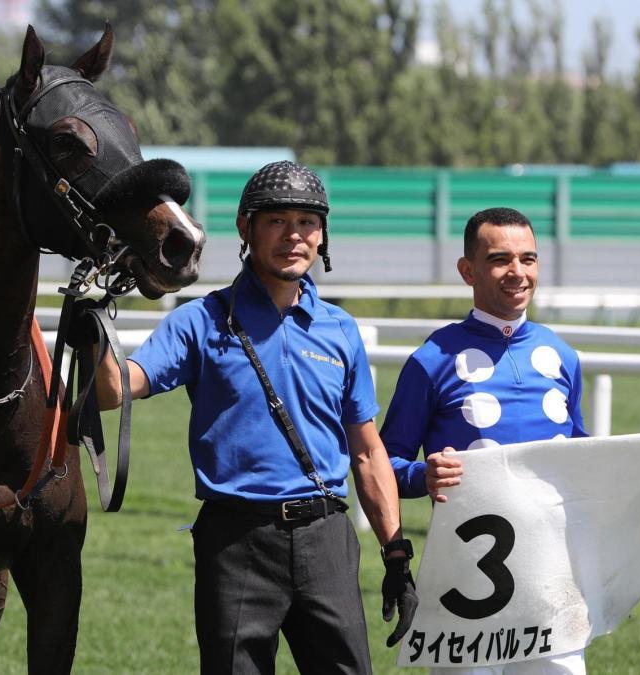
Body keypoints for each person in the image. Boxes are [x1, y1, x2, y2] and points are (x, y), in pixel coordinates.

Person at [95, 161, 418, 674]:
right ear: (246, 228)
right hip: (236, 540)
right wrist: (93, 321)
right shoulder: (199, 321)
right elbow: (116, 391)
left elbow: (366, 449)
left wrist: (395, 552)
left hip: (327, 538)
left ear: (323, 234)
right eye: (277, 221)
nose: (294, 236)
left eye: (307, 222)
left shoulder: (341, 329)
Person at [380, 206, 640, 675]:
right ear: (467, 269)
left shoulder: (561, 355)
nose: (518, 272)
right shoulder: (431, 360)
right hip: (465, 588)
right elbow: (382, 463)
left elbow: (580, 460)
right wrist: (421, 475)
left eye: (528, 259)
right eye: (500, 259)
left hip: (555, 583)